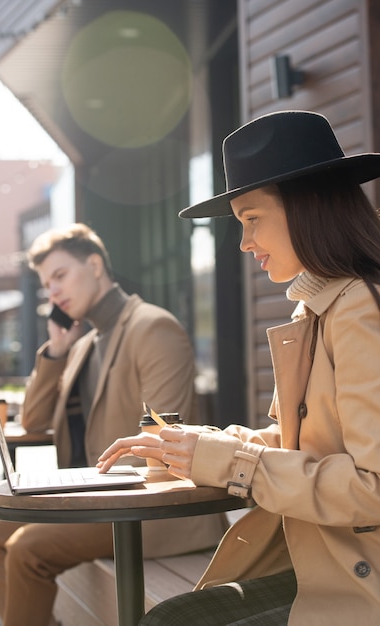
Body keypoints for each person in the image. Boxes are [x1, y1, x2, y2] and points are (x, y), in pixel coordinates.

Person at [98, 110, 380, 625]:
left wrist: (232, 464)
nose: (244, 243)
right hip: (324, 561)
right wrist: (201, 445)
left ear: (306, 205)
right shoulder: (319, 308)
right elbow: (303, 446)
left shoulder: (361, 308)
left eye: (251, 219)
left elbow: (372, 485)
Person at [0, 223, 227, 626]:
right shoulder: (82, 346)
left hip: (152, 510)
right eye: (45, 285)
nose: (52, 291)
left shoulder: (152, 327)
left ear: (94, 265)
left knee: (25, 548)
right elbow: (35, 422)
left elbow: (166, 444)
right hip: (96, 499)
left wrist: (86, 487)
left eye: (59, 276)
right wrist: (55, 351)